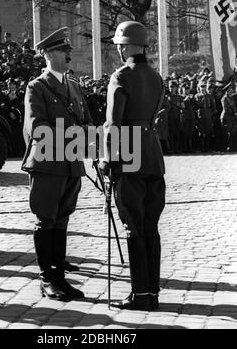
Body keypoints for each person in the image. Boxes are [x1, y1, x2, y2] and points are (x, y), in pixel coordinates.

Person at [99, 21, 166, 311]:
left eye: (119, 44)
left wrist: (105, 159)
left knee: (134, 226)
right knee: (151, 226)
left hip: (129, 155)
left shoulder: (120, 77)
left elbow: (114, 124)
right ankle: (152, 292)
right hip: (153, 153)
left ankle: (139, 295)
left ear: (126, 46)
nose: (118, 48)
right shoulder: (156, 77)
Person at [22, 27, 92, 301]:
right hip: (48, 163)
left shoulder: (73, 86)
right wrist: (70, 135)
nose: (68, 55)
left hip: (71, 162)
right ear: (48, 54)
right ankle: (46, 279)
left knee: (62, 220)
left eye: (68, 50)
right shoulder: (36, 87)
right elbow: (37, 125)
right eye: (63, 51)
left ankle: (60, 278)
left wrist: (91, 144)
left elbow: (85, 120)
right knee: (46, 219)